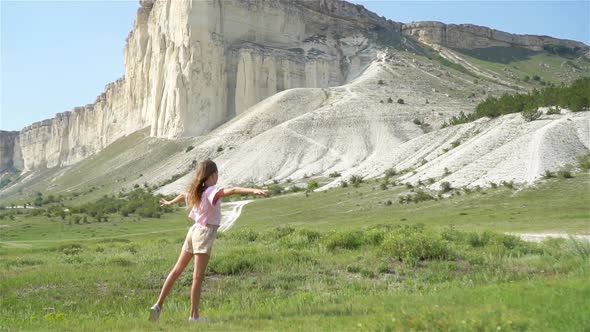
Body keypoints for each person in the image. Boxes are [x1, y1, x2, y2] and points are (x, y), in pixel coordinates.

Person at [149, 159, 267, 322]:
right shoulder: (212, 190)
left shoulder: (195, 191)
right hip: (204, 233)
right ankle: (194, 316)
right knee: (197, 276)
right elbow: (232, 190)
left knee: (176, 270)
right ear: (213, 175)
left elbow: (183, 195)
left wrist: (170, 202)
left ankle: (158, 305)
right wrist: (253, 190)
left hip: (193, 231)